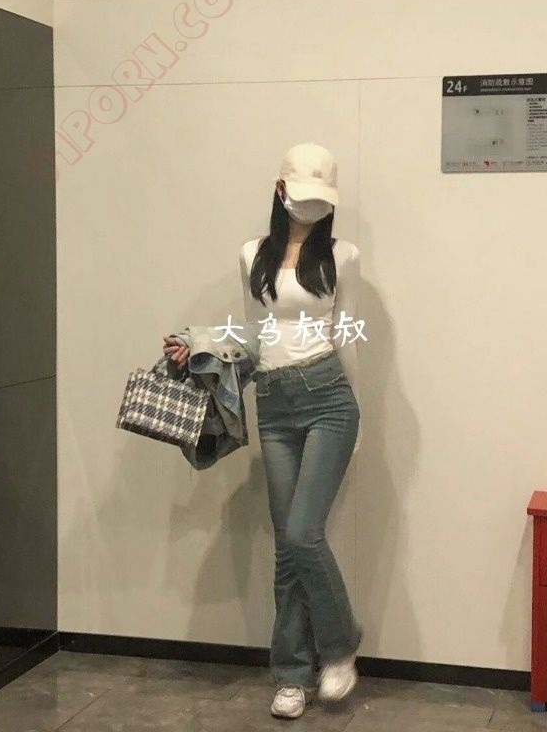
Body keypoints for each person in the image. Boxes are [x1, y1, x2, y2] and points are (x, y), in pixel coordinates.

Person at [164, 142, 363, 720]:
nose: (313, 207)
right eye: (303, 196)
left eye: (322, 199)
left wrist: (358, 415)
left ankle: (340, 647)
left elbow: (347, 335)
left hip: (329, 397)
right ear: (280, 190)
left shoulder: (343, 255)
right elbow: (254, 335)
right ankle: (292, 675)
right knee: (287, 546)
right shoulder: (251, 254)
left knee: (303, 533)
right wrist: (200, 345)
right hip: (274, 402)